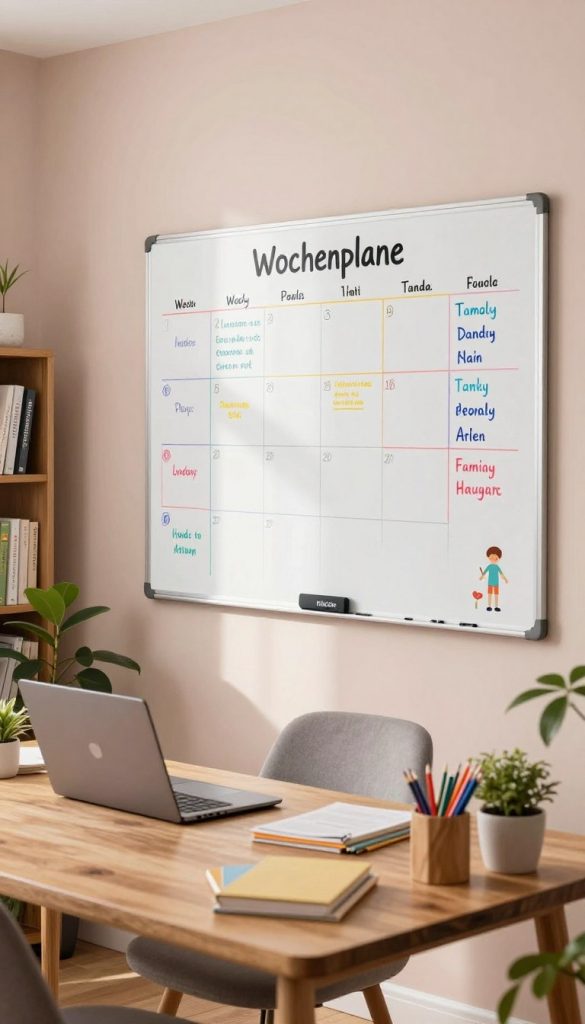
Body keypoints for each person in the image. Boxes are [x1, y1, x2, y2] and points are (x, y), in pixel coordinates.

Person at [479, 546, 509, 612]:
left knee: (496, 595)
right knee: (490, 594)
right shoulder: (489, 566)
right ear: (489, 557)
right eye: (491, 557)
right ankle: (489, 606)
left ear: (498, 558)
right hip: (490, 583)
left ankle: (496, 606)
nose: (493, 559)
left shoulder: (497, 567)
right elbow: (484, 572)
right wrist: (481, 577)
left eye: (495, 558)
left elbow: (501, 574)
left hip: (496, 584)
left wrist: (505, 579)